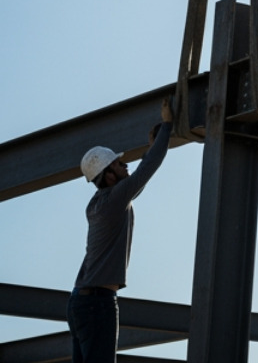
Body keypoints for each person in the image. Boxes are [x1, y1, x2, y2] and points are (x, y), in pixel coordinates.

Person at [70, 97, 173, 362]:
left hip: (80, 303)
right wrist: (168, 125)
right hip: (97, 302)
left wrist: (152, 147)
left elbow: (136, 184)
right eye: (118, 164)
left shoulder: (97, 203)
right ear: (109, 175)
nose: (125, 165)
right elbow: (145, 172)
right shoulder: (114, 200)